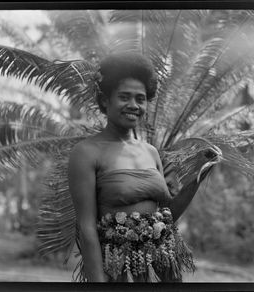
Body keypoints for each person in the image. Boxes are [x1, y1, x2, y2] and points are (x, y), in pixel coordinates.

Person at [68, 53, 197, 282]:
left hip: (162, 269)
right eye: (124, 97)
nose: (134, 105)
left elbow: (167, 216)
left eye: (141, 98)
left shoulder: (151, 152)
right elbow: (87, 228)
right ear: (105, 100)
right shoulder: (86, 152)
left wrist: (198, 176)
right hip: (117, 271)